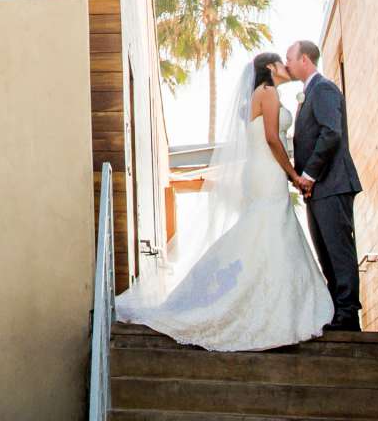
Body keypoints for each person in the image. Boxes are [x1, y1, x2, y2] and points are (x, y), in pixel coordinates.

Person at [113, 50, 331, 350]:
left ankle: (270, 298)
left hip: (262, 169)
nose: (286, 66)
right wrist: (293, 174)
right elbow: (271, 137)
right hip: (267, 170)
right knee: (269, 227)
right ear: (270, 67)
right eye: (281, 62)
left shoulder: (260, 94)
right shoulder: (266, 92)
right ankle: (258, 301)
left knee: (264, 230)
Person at [285, 38, 362, 332]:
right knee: (325, 252)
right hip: (317, 190)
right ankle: (335, 311)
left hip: (332, 183)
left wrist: (310, 174)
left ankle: (348, 314)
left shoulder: (325, 89)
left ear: (305, 59)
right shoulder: (309, 94)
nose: (288, 63)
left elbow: (332, 134)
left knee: (339, 250)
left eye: (290, 58)